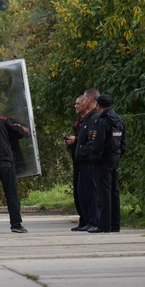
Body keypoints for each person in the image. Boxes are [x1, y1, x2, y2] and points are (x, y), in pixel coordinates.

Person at [87, 94, 126, 233]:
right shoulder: (118, 120)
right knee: (114, 191)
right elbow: (123, 140)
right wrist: (119, 153)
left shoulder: (102, 121)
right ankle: (115, 224)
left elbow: (98, 143)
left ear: (98, 106)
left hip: (103, 160)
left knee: (104, 192)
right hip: (115, 157)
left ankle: (104, 225)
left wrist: (94, 158)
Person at [74, 89, 101, 232]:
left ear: (90, 100)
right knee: (83, 193)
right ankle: (87, 220)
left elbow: (93, 141)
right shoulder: (86, 119)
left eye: (83, 100)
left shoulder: (94, 118)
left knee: (92, 192)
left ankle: (94, 220)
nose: (81, 103)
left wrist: (82, 151)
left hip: (89, 162)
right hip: (82, 162)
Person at [64, 95, 87, 230]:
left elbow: (90, 138)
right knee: (78, 192)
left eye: (78, 103)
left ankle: (89, 220)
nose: (76, 106)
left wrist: (76, 140)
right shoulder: (79, 121)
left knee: (85, 191)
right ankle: (83, 219)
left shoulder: (91, 120)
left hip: (85, 160)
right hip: (77, 159)